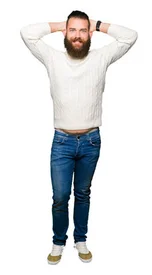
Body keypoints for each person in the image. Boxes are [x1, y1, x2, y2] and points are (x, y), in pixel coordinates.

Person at [20, 10, 137, 265]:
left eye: (83, 31)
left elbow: (130, 37)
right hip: (61, 142)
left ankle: (80, 239)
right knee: (60, 196)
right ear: (65, 32)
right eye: (72, 30)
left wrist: (96, 24)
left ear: (89, 34)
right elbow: (26, 33)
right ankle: (58, 242)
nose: (77, 36)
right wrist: (60, 24)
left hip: (91, 141)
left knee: (83, 193)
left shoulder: (101, 57)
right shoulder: (52, 57)